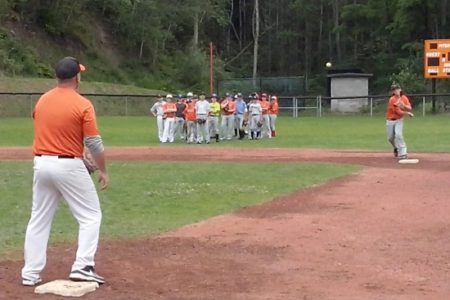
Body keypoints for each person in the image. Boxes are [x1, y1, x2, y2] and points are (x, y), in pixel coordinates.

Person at [21, 57, 108, 286]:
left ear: (57, 76)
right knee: (90, 216)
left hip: (41, 164)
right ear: (76, 77)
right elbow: (94, 143)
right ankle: (83, 266)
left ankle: (30, 273)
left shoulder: (42, 100)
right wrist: (103, 169)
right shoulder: (82, 104)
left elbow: (48, 125)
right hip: (68, 165)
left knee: (39, 219)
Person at [386, 84, 413, 160]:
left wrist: (404, 106)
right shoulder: (392, 99)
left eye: (397, 89)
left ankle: (403, 153)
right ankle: (396, 148)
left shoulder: (404, 98)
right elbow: (397, 111)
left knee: (398, 135)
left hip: (399, 120)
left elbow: (409, 107)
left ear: (400, 89)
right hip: (390, 120)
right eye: (394, 90)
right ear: (393, 92)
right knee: (390, 138)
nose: (396, 91)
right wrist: (407, 113)